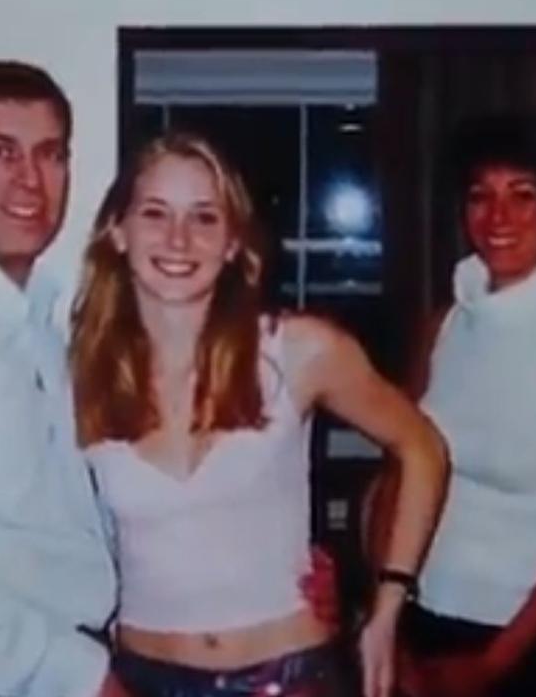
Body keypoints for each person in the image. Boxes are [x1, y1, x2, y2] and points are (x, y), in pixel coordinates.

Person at [0, 61, 337, 697]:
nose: (29, 179)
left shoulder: (48, 326)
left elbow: (91, 515)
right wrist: (80, 675)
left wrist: (273, 572)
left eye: (49, 154)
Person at [69, 132, 449, 697]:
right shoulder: (78, 372)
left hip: (290, 678)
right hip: (140, 679)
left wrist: (386, 606)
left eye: (204, 217)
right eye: (155, 213)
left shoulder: (298, 350)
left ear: (231, 243)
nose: (179, 239)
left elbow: (423, 449)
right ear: (117, 232)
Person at [383, 114, 536, 697]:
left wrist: (493, 665)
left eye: (522, 197)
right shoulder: (442, 324)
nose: (497, 217)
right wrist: (388, 623)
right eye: (480, 196)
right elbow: (399, 475)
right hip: (425, 622)